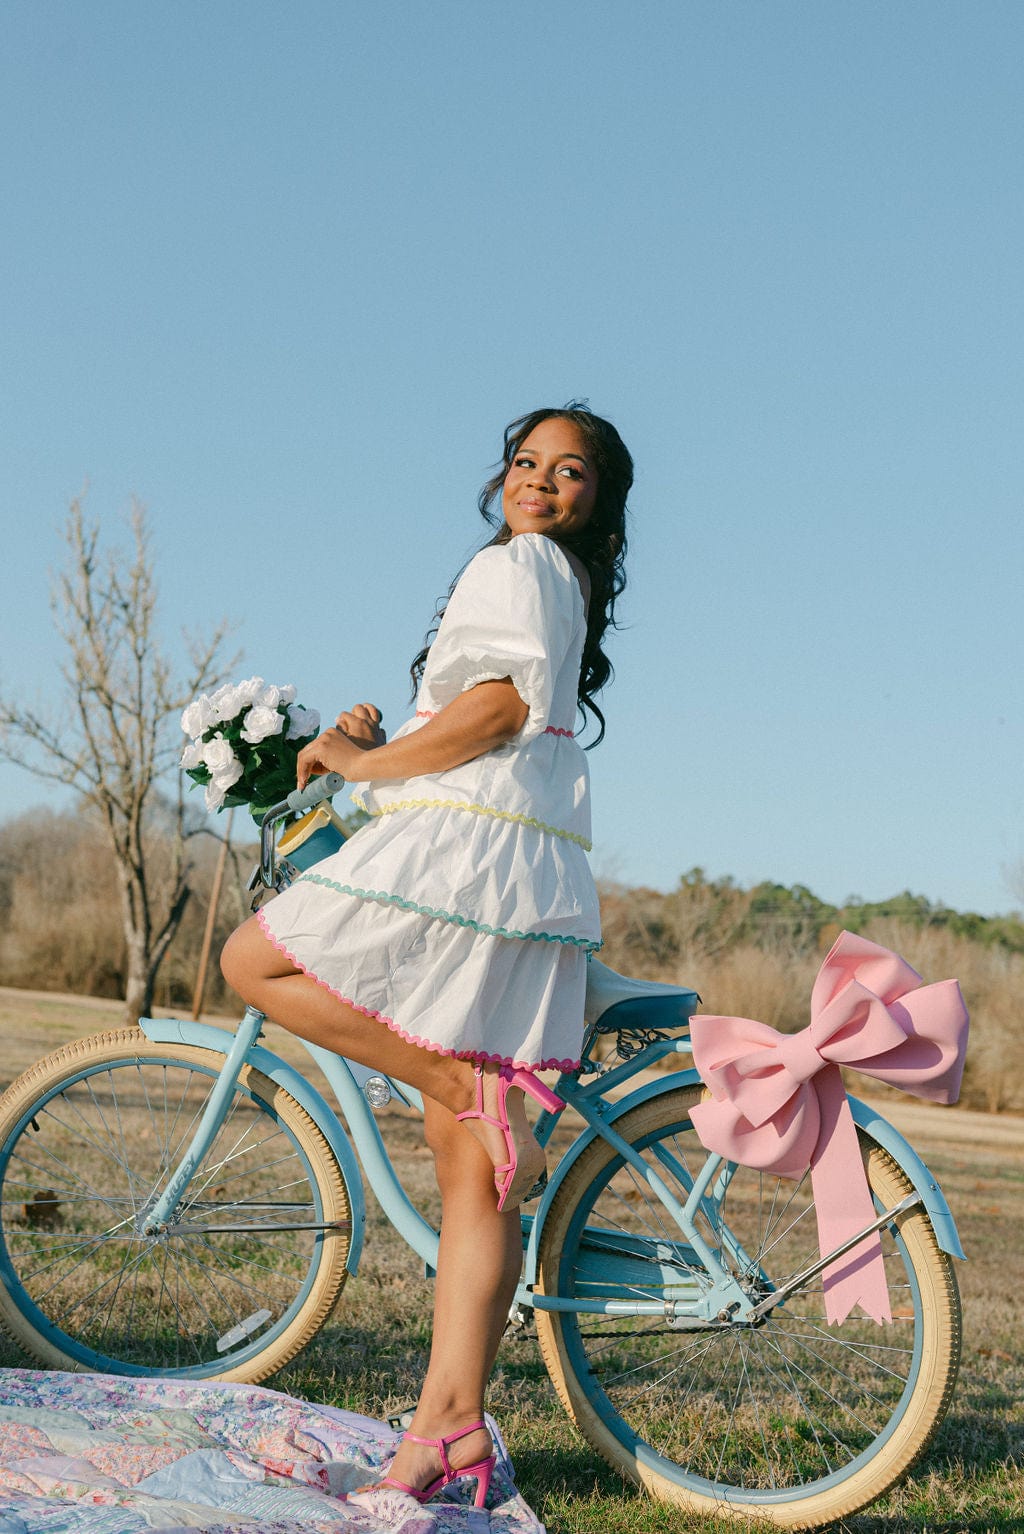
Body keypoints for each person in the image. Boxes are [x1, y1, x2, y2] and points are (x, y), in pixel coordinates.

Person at [220, 403, 633, 1505]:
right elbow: (483, 706)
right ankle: (445, 1432)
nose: (540, 481)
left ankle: (459, 1079)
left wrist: (367, 767)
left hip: (469, 853)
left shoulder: (525, 560)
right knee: (471, 1170)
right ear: (502, 472)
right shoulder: (553, 574)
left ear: (598, 500)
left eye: (571, 471)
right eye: (525, 461)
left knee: (253, 962)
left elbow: (496, 710)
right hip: (526, 864)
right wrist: (383, 735)